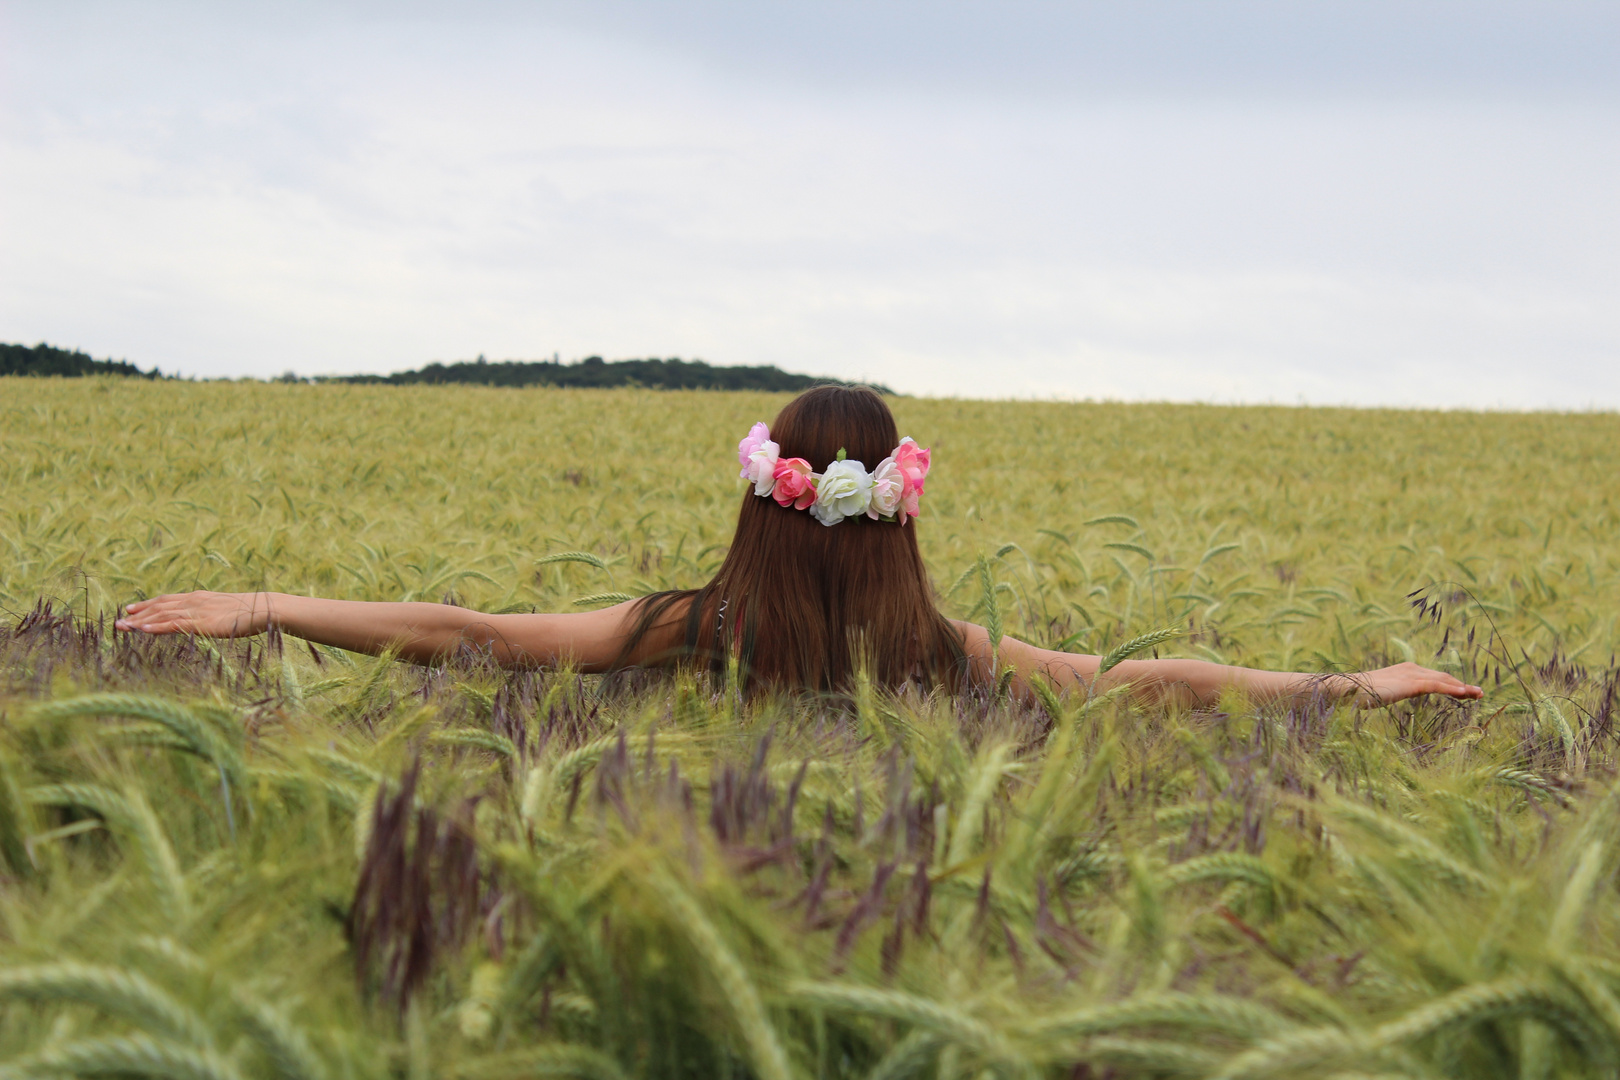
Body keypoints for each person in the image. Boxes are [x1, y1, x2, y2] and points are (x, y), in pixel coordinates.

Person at [116, 386, 1482, 709]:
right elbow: (1139, 678)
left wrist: (271, 601)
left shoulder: (690, 631)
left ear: (762, 503)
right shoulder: (941, 653)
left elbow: (474, 634)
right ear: (899, 507)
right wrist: (1349, 691)